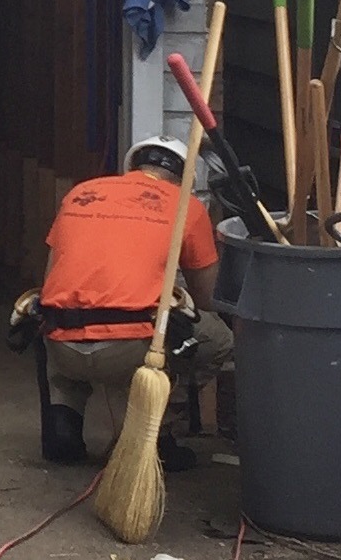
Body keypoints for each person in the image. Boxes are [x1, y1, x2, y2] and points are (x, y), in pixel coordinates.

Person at [34, 135, 232, 468]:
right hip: (128, 349)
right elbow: (207, 297)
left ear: (133, 167)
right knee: (216, 337)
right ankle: (155, 434)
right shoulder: (188, 206)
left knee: (56, 307)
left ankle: (63, 423)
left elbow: (51, 281)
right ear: (186, 179)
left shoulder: (81, 194)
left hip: (62, 348)